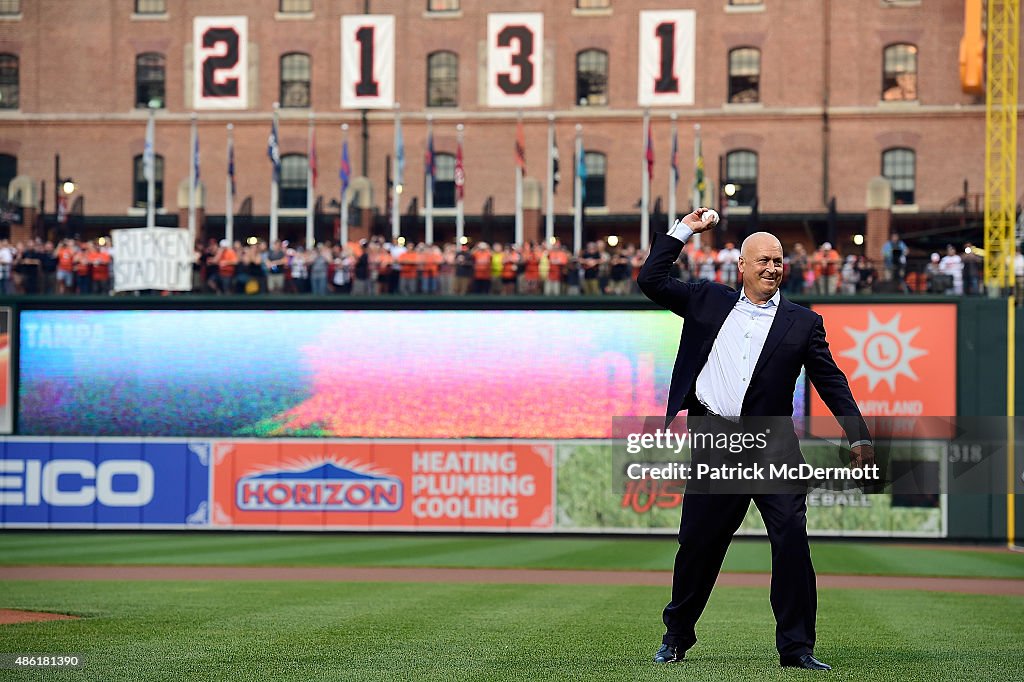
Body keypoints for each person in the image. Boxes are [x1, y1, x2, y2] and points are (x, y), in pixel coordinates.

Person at [638, 208, 872, 672]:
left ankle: (797, 648)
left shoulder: (803, 322)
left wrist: (857, 432)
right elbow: (651, 278)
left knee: (791, 540)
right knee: (698, 547)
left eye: (778, 261)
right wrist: (686, 229)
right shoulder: (706, 299)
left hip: (772, 445)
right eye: (763, 260)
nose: (772, 268)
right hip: (715, 439)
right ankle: (676, 637)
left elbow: (831, 380)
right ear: (741, 266)